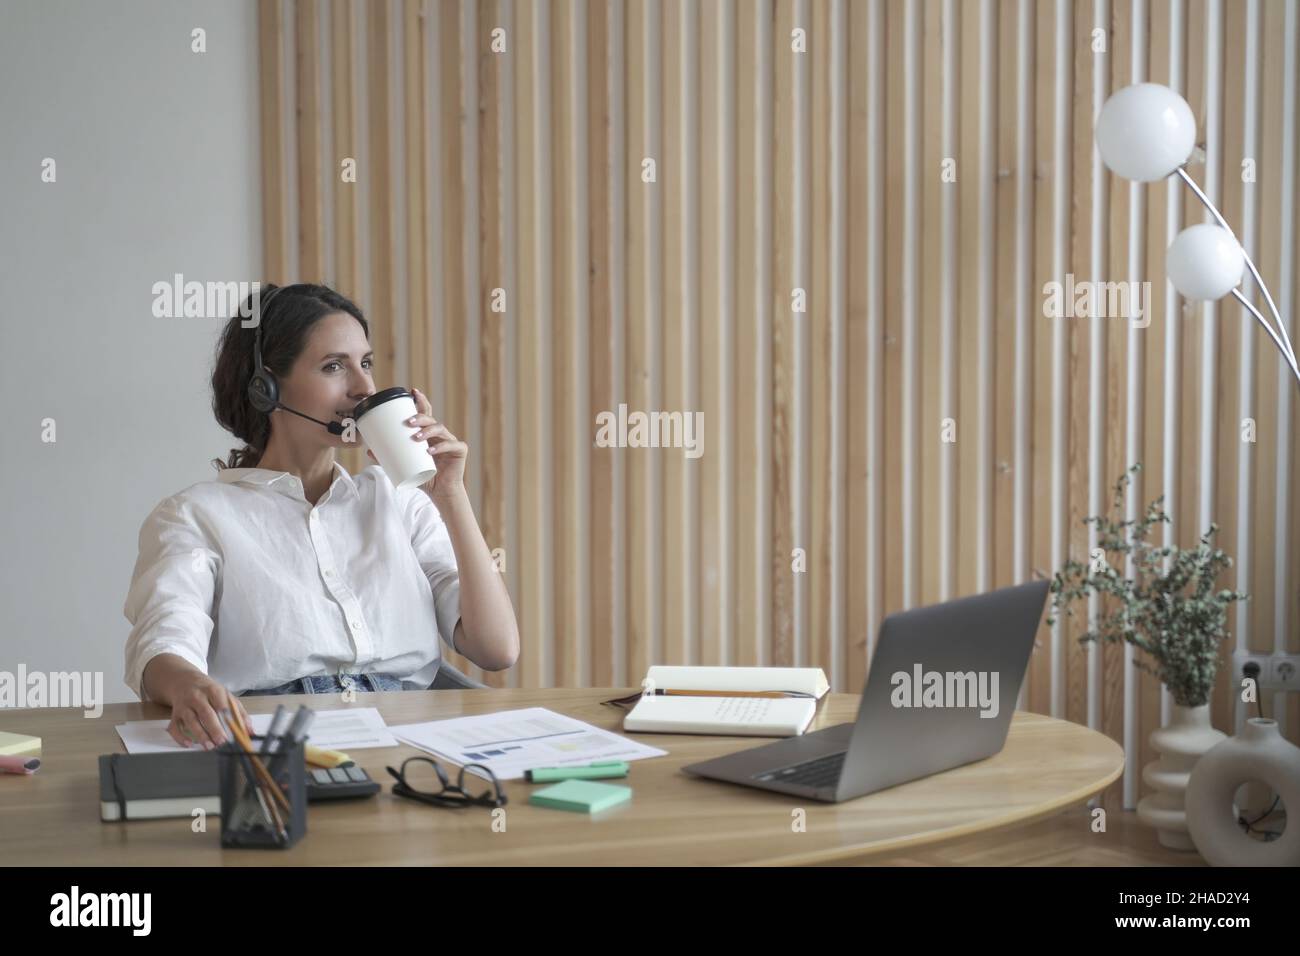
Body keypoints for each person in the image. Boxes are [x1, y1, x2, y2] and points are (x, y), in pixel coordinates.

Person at [123, 283, 519, 750]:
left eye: (365, 363)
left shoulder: (400, 502)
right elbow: (162, 644)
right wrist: (189, 684)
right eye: (334, 366)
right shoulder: (196, 515)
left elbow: (497, 650)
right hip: (282, 740)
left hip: (411, 739)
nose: (364, 388)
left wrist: (450, 495)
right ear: (266, 388)